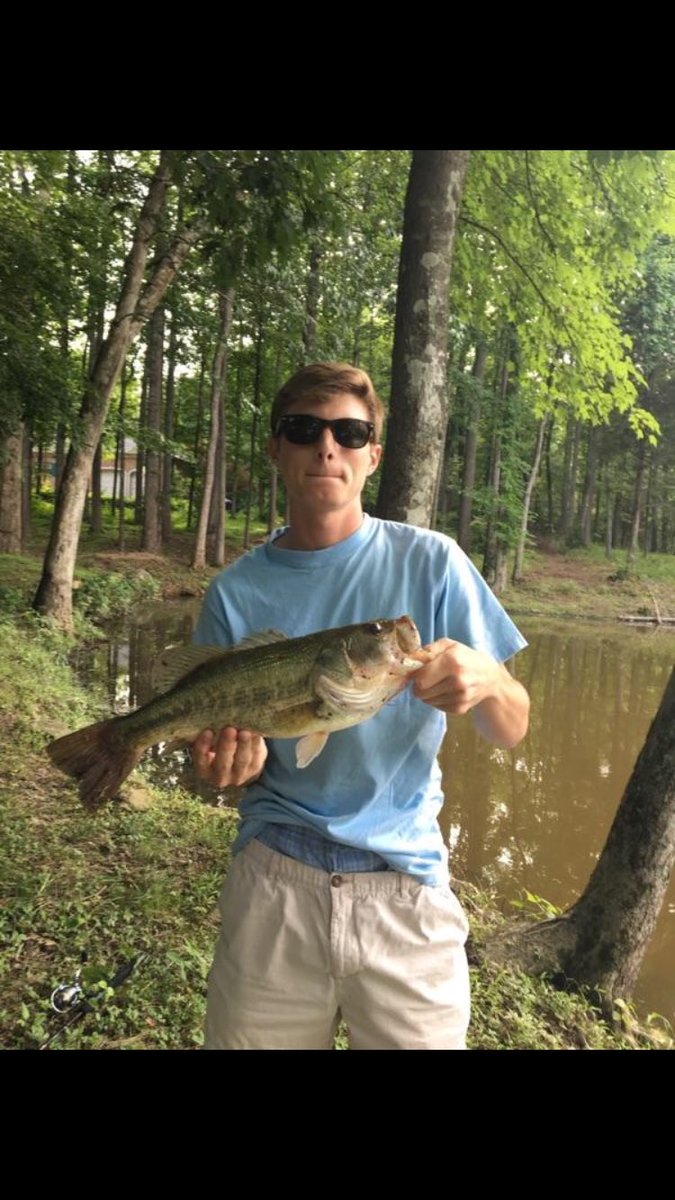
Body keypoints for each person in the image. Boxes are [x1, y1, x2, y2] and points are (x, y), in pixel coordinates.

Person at [192, 361, 529, 1050]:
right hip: (273, 886)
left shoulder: (432, 563)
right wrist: (227, 765)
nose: (327, 447)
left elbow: (513, 726)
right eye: (304, 429)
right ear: (276, 447)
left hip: (404, 893)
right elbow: (235, 763)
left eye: (349, 433)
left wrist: (490, 683)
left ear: (372, 455)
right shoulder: (233, 593)